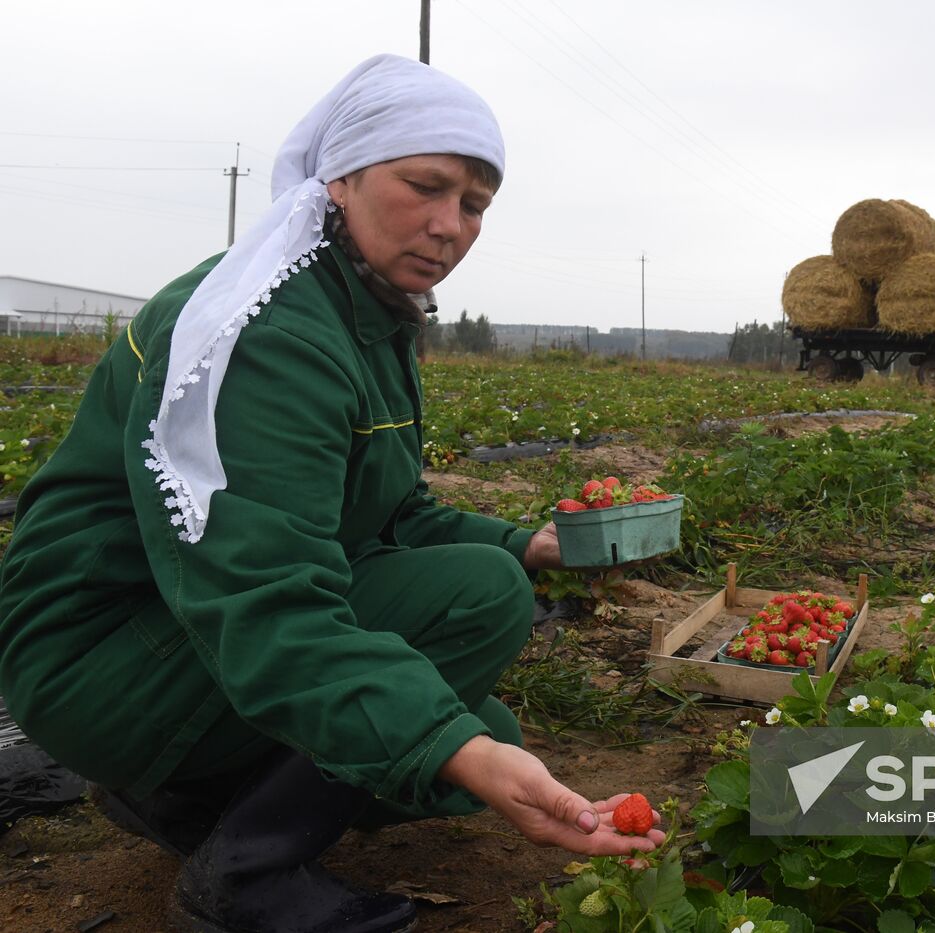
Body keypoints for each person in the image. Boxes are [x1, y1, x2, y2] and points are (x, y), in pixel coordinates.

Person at [0, 54, 662, 933]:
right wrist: (451, 746)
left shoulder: (360, 309)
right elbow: (266, 599)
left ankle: (182, 799)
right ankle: (244, 876)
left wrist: (526, 543)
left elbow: (386, 513)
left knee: (480, 715)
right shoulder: (271, 330)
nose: (449, 224)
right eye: (425, 185)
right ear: (340, 177)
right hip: (99, 655)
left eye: (473, 205)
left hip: (167, 630)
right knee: (474, 629)